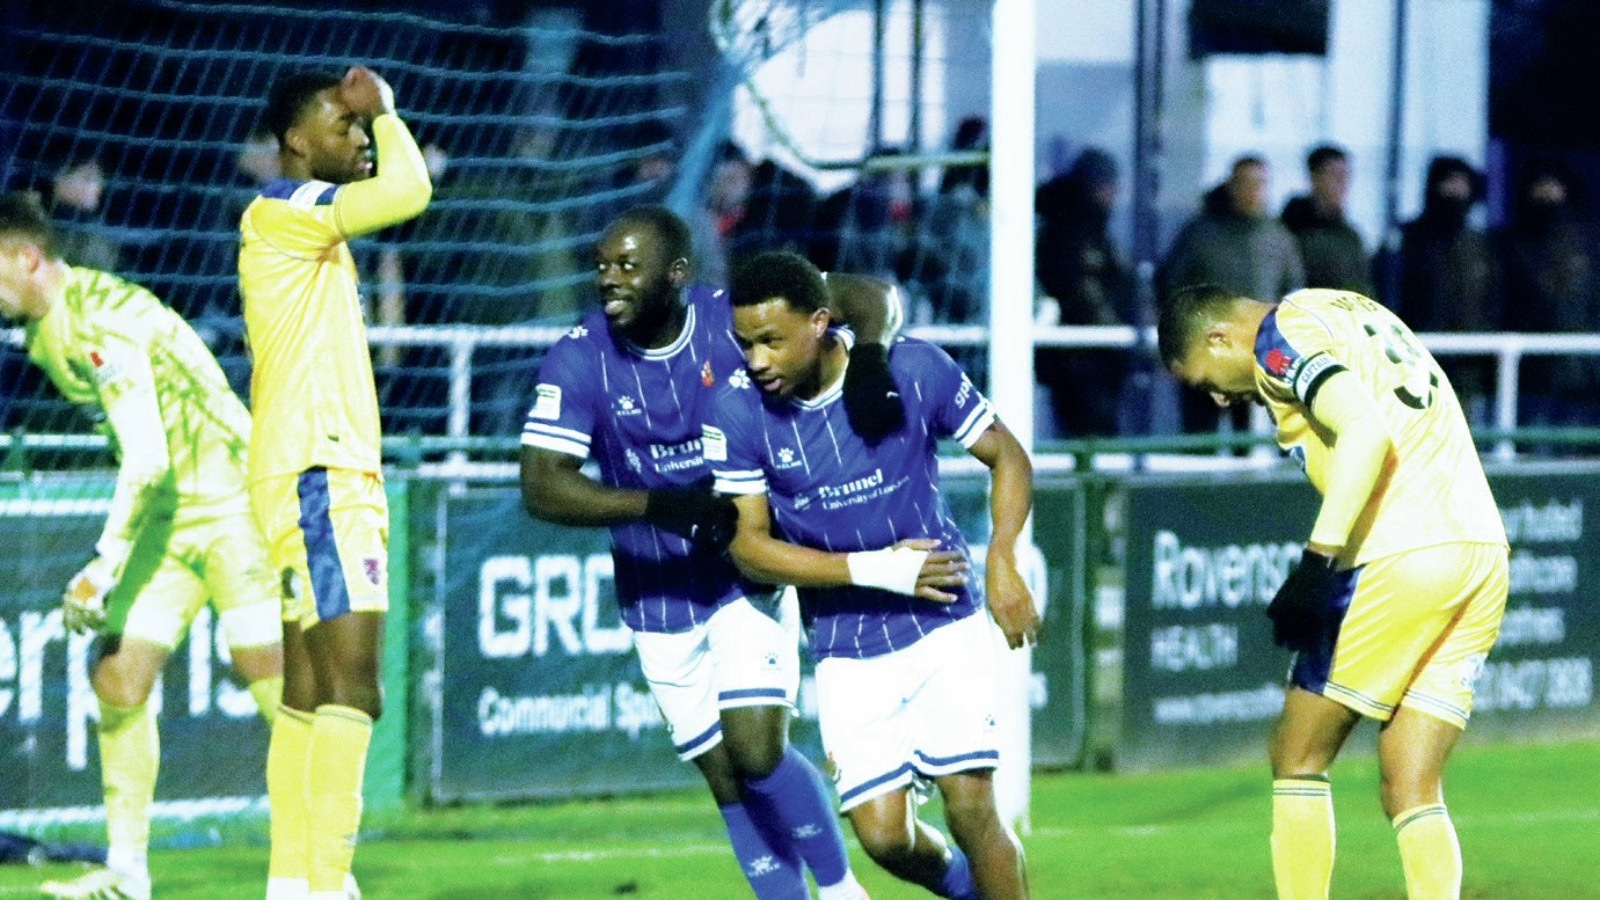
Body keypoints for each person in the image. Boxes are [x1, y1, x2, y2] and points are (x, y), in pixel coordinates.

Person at [519, 206, 904, 900]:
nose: (609, 279)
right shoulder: (579, 356)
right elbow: (542, 485)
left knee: (756, 750)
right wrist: (660, 506)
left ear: (677, 275)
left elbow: (871, 297)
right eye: (602, 266)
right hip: (654, 595)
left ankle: (843, 889)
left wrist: (871, 356)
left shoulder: (732, 321)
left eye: (628, 266)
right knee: (725, 777)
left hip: (742, 573)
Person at [706, 250, 1039, 900]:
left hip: (941, 616)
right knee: (885, 838)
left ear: (820, 322)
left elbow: (1007, 456)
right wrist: (877, 569)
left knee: (972, 811)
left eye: (772, 341)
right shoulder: (736, 411)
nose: (757, 360)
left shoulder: (911, 369)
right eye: (745, 344)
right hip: (844, 642)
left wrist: (1002, 556)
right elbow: (747, 547)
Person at [1157, 284, 1509, 900]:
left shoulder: (1277, 340)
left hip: (1401, 549)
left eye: (1205, 380)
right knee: (1410, 783)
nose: (1217, 398)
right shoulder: (1340, 306)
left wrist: (1317, 560)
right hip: (1480, 550)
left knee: (1296, 754)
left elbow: (1365, 431)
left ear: (1220, 337)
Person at [0, 192, 285, 900]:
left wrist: (104, 563)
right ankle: (128, 870)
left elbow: (149, 456)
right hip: (168, 521)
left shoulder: (97, 320)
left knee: (270, 680)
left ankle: (324, 868)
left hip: (232, 502)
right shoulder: (47, 328)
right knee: (118, 678)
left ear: (26, 257)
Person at [239, 65, 432, 900]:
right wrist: (385, 111)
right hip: (321, 471)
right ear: (294, 140)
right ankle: (325, 884)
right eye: (341, 123)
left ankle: (292, 883)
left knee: (311, 693)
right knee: (356, 688)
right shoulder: (290, 208)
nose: (357, 137)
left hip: (300, 468)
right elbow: (410, 192)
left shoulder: (298, 228)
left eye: (359, 125)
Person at [1160, 154, 1304, 433]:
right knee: (1199, 439)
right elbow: (1171, 288)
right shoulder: (1200, 234)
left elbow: (1293, 293)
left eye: (1260, 184)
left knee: (1249, 440)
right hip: (1205, 355)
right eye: (1246, 183)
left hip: (1255, 357)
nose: (1253, 192)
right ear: (1231, 186)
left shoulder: (1278, 238)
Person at [1374, 156, 1496, 426]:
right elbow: (1386, 297)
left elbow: (1492, 303)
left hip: (1467, 371)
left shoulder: (1481, 246)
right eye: (1448, 182)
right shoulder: (1405, 239)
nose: (1455, 190)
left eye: (1461, 183)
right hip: (1413, 368)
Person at [1034, 147, 1138, 437]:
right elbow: (1082, 295)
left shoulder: (1092, 231)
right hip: (1081, 360)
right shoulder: (1072, 235)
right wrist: (1116, 334)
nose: (1111, 194)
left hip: (1097, 357)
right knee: (1090, 437)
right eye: (1104, 186)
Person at [1494, 159, 1600, 432]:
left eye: (1554, 184)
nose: (1547, 192)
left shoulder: (1590, 243)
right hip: (1529, 373)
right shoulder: (1509, 244)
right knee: (1528, 445)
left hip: (1584, 375)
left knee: (1579, 450)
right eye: (1540, 184)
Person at [1280, 144, 1372, 295]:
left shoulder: (1350, 237)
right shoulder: (1290, 231)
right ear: (1315, 178)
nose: (1343, 185)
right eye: (1335, 176)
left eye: (1346, 177)